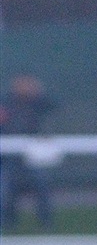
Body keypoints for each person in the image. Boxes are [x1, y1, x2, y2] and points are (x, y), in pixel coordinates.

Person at [0, 74, 58, 231]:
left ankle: (46, 222)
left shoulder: (36, 102)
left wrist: (38, 93)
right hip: (9, 159)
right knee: (5, 189)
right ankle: (8, 224)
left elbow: (54, 106)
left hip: (32, 158)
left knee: (42, 183)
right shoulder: (6, 103)